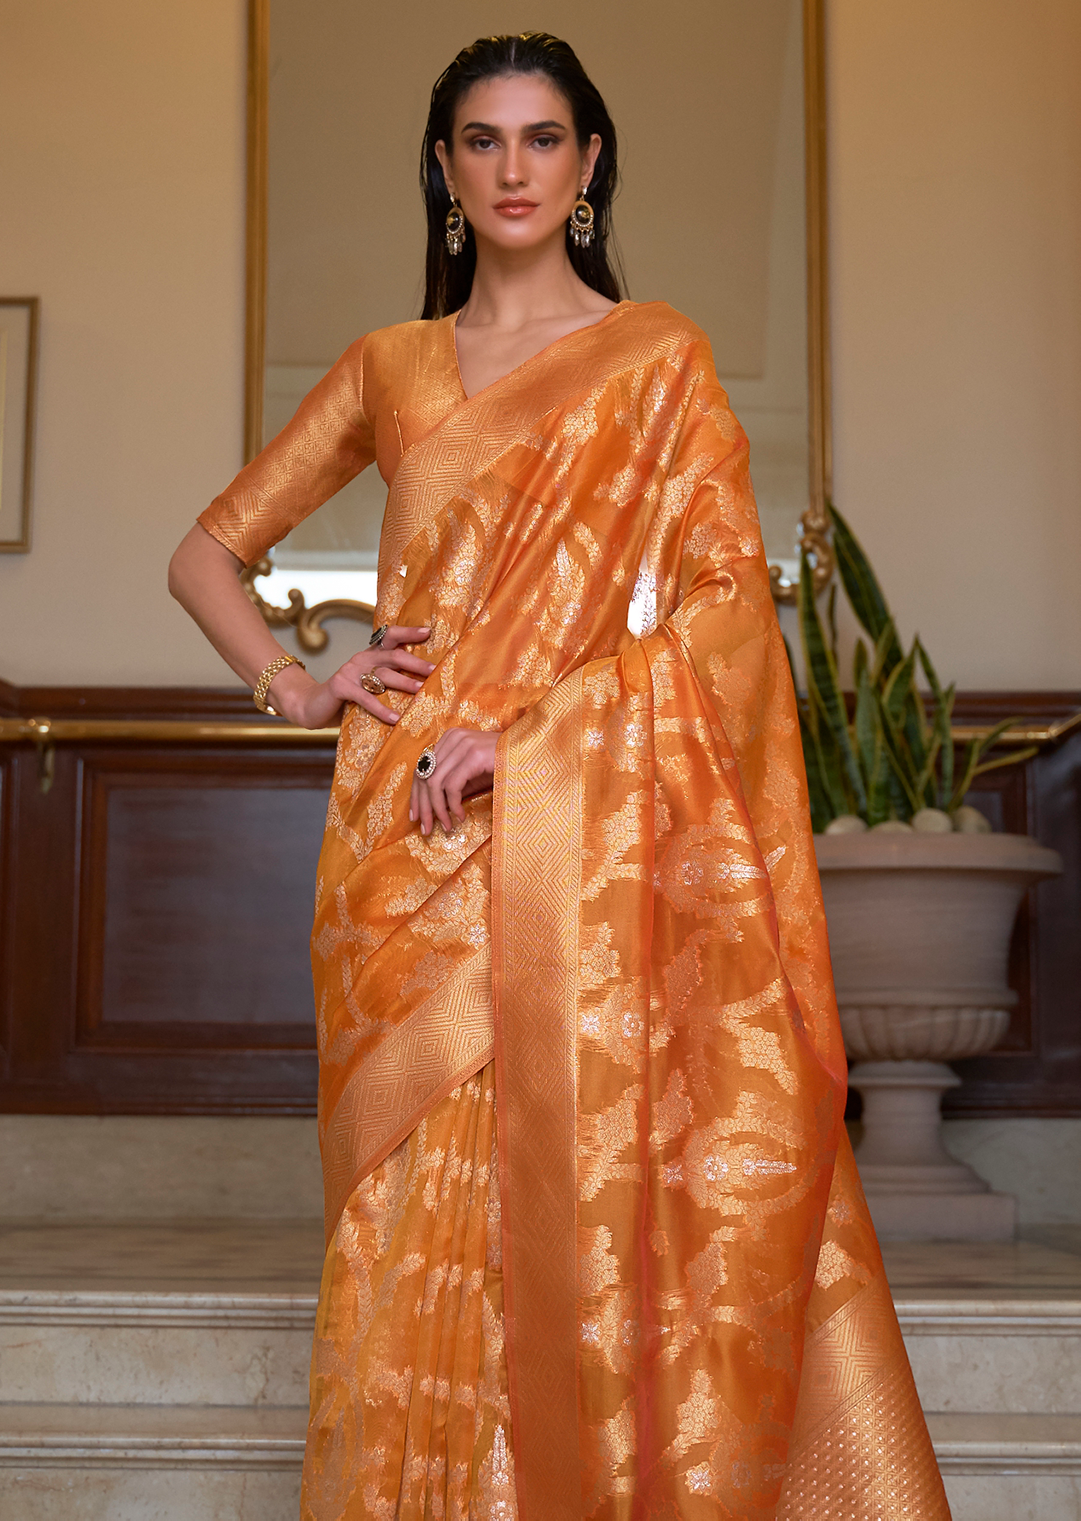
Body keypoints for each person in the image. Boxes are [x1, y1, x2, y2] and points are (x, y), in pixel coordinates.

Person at [170, 32, 949, 1521]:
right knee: (413, 1204)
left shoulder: (658, 361)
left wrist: (533, 740)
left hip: (574, 830)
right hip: (405, 837)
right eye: (482, 140)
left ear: (588, 165)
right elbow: (206, 552)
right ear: (445, 169)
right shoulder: (392, 366)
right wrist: (300, 683)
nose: (512, 169)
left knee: (575, 1187)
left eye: (542, 139)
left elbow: (725, 609)